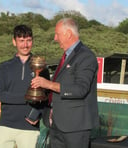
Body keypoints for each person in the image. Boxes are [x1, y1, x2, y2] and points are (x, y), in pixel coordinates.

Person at [31, 18, 99, 148]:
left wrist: (49, 84)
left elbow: (80, 89)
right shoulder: (66, 56)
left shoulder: (86, 57)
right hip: (57, 125)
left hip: (75, 128)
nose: (55, 38)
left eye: (57, 34)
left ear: (68, 34)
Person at [0, 24, 49, 148]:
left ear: (32, 41)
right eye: (21, 41)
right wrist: (27, 97)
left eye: (29, 40)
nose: (25, 45)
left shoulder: (41, 67)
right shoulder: (4, 67)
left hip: (29, 127)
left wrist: (38, 113)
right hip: (5, 126)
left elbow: (46, 96)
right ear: (14, 42)